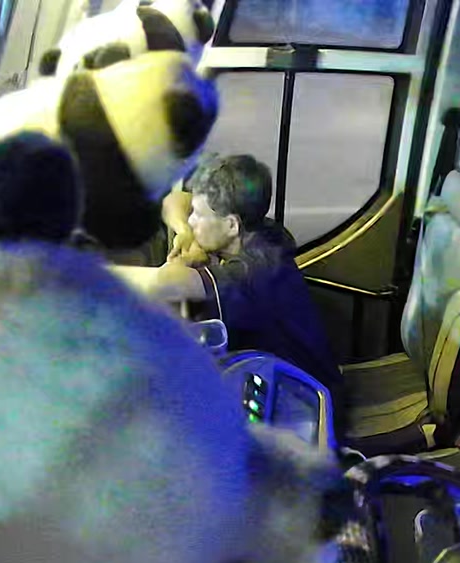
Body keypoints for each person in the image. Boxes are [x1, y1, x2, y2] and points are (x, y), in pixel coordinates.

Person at [113, 154, 344, 395]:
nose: (191, 220)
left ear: (232, 225)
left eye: (198, 215)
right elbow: (175, 201)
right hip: (281, 377)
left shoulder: (252, 271)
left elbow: (164, 284)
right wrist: (186, 233)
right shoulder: (260, 230)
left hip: (303, 397)